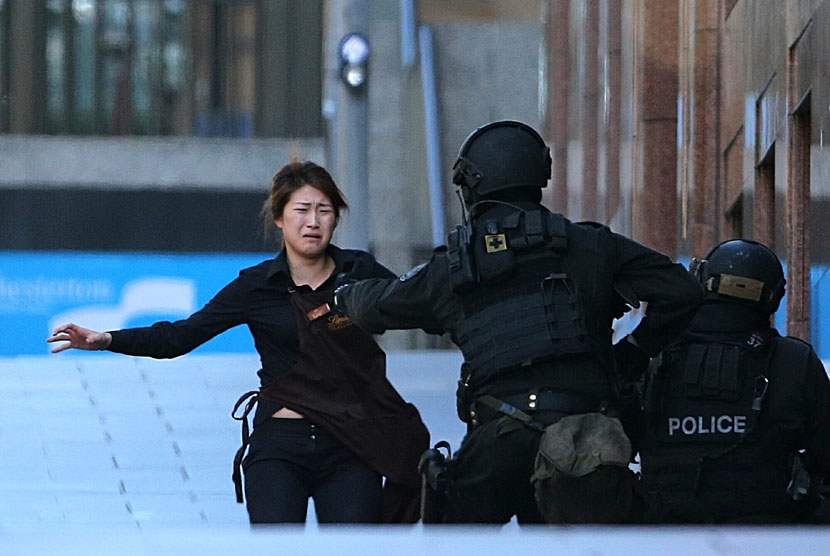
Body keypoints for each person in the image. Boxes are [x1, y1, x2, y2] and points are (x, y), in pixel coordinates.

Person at [332, 120, 703, 524]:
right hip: (583, 441)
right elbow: (681, 291)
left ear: (472, 186)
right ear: (539, 175)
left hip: (498, 440)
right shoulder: (592, 245)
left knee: (447, 529)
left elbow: (374, 306)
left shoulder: (454, 267)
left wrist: (341, 291)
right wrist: (631, 353)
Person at [47, 159, 429, 525]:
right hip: (280, 447)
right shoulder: (257, 285)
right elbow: (181, 335)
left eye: (324, 210)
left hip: (352, 445)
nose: (313, 221)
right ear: (280, 218)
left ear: (336, 218)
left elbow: (418, 306)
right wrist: (106, 339)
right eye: (302, 209)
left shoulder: (361, 272)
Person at [639, 239, 830, 524]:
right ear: (773, 298)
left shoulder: (653, 353)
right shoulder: (794, 361)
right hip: (775, 537)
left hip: (662, 535)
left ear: (702, 282)